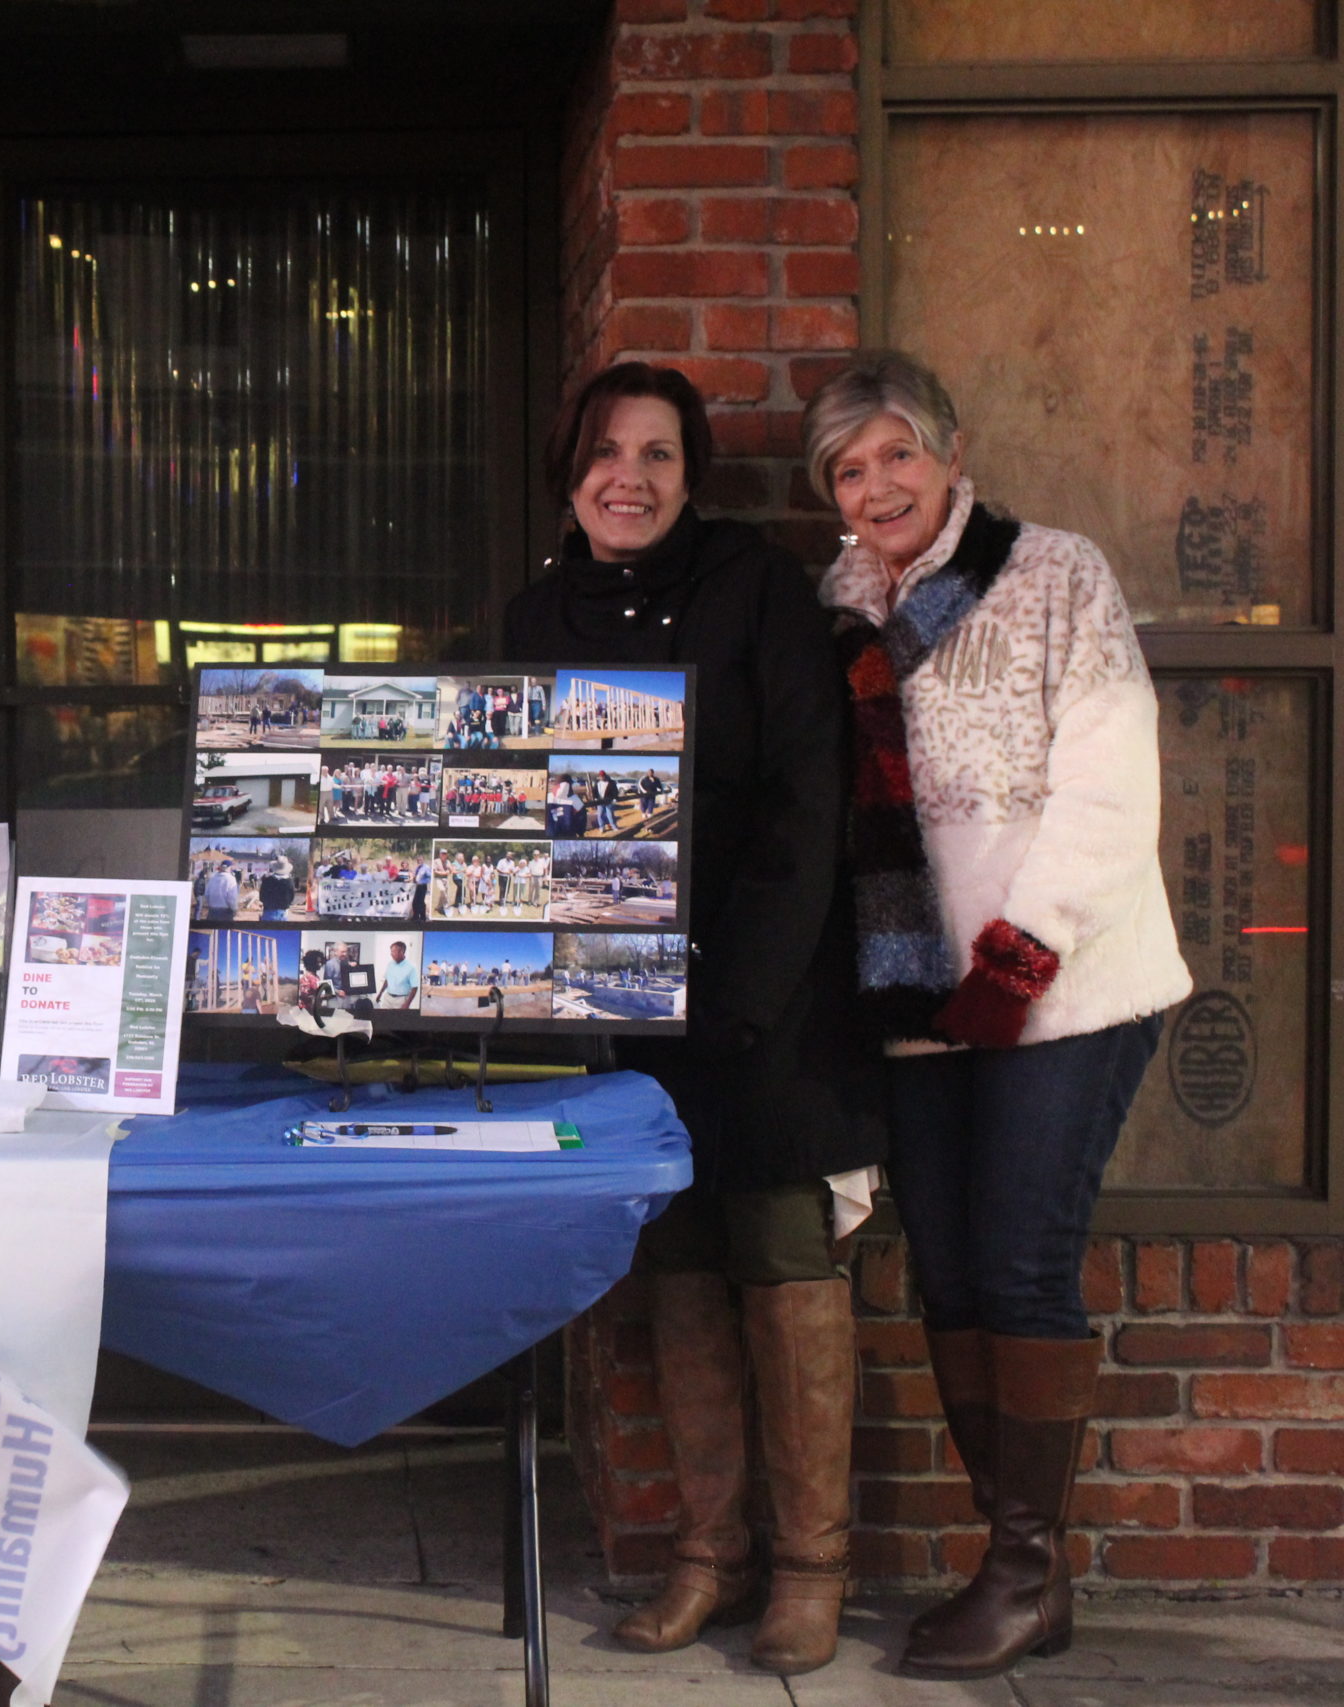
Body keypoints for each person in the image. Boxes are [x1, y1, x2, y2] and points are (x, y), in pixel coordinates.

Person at [806, 350, 1190, 1679]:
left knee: (1022, 1265)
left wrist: (1018, 960)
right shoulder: (839, 608)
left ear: (952, 454)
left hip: (1061, 986)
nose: (877, 486)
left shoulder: (1051, 572)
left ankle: (1024, 1572)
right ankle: (1019, 1565)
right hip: (915, 993)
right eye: (847, 470)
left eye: (897, 454)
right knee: (953, 1270)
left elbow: (1109, 779)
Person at [504, 361, 885, 1676]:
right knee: (673, 1267)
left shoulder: (757, 587)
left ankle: (812, 1568)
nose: (630, 477)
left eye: (658, 453)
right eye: (606, 452)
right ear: (571, 470)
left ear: (691, 473)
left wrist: (740, 992)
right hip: (620, 1009)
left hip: (769, 993)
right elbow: (513, 819)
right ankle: (709, 1555)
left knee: (782, 1259)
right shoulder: (534, 614)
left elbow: (806, 797)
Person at [377, 940, 420, 1009]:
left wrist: (407, 1004)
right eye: (391, 951)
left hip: (401, 1000)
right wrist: (380, 994)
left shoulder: (411, 967)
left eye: (393, 951)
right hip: (387, 998)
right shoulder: (390, 964)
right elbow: (387, 980)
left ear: (401, 952)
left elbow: (414, 988)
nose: (391, 954)